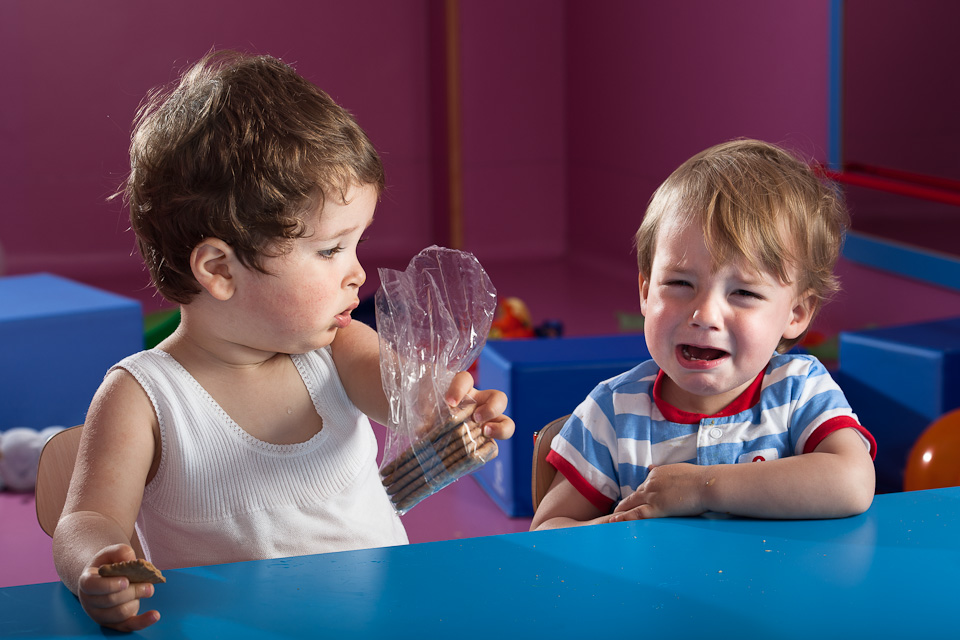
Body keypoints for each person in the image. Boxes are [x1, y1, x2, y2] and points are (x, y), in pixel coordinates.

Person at [52, 50, 515, 632]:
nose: (358, 274)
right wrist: (99, 562)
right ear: (219, 270)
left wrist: (442, 399)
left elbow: (401, 388)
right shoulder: (142, 397)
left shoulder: (337, 349)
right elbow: (86, 517)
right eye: (329, 250)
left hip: (380, 620)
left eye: (356, 245)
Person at [531, 139, 876, 531]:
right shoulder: (612, 413)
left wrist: (702, 488)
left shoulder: (799, 391)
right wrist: (627, 528)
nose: (704, 315)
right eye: (679, 283)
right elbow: (548, 532)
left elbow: (852, 482)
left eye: (743, 293)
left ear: (796, 314)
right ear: (645, 291)